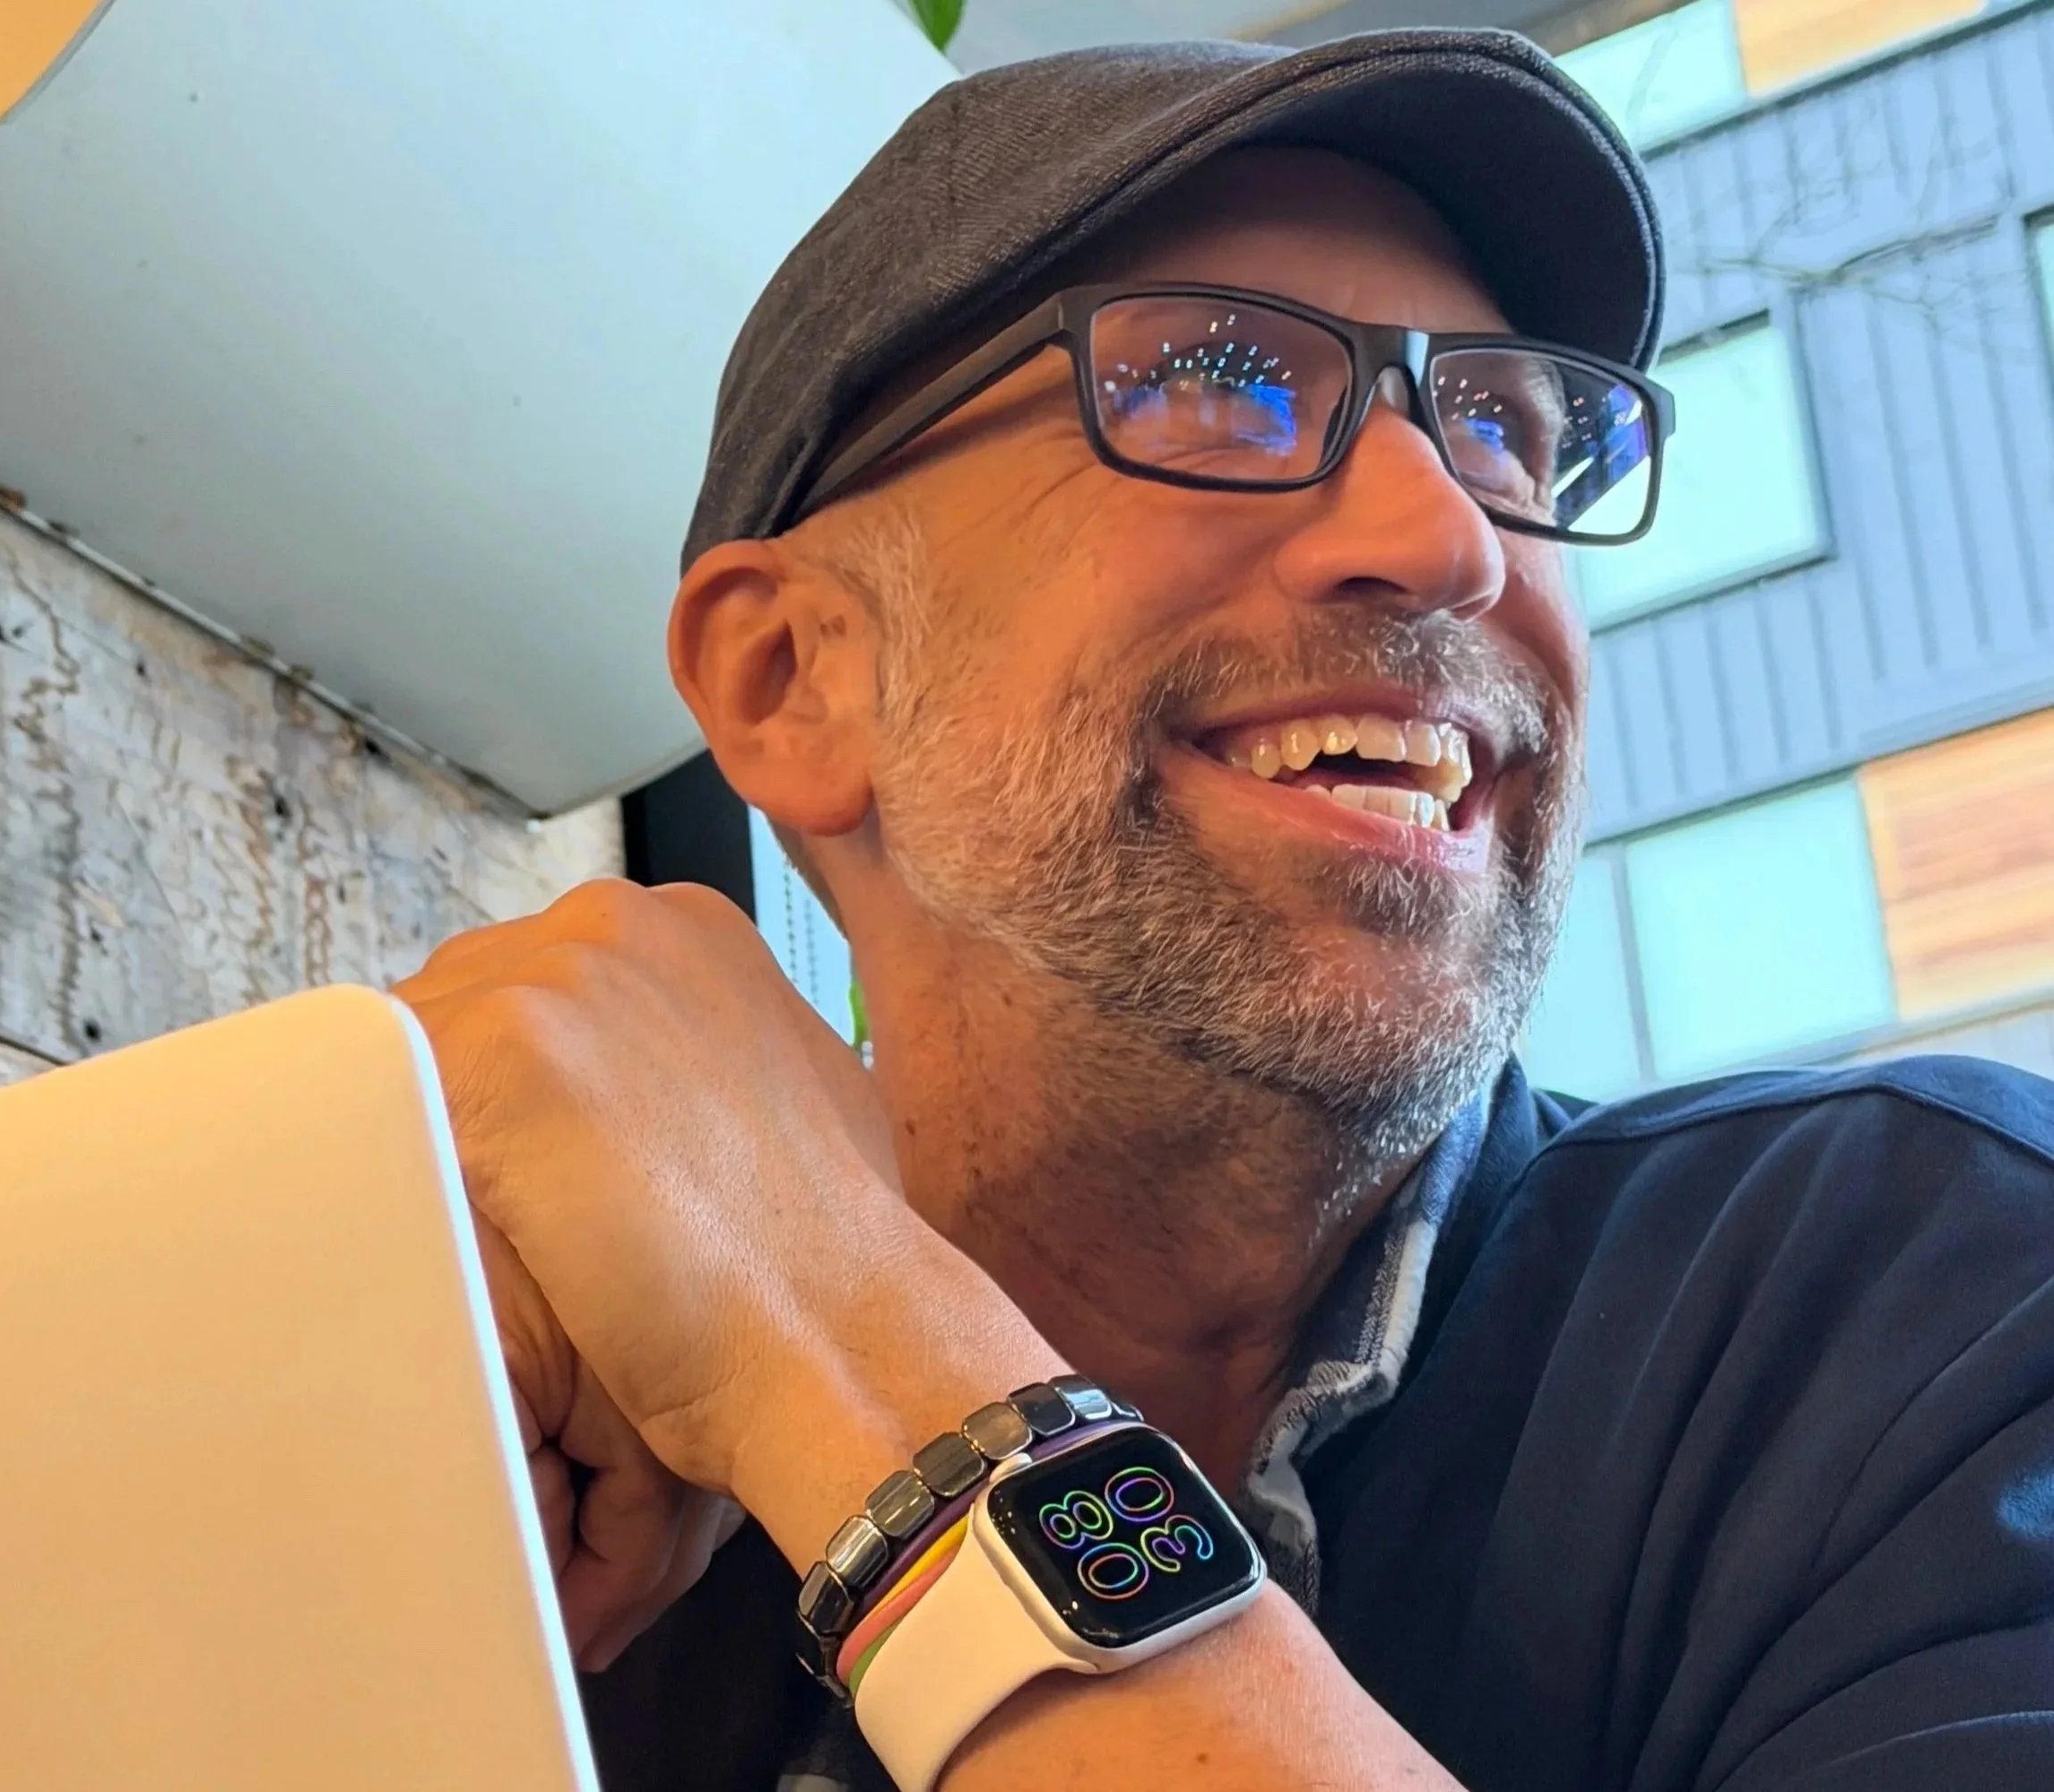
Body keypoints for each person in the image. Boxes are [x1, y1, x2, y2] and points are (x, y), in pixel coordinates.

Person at [396, 30, 2054, 1792]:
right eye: (1216, 382)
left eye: (1504, 430)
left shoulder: (1925, 1296)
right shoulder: (519, 1435)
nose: (1451, 539)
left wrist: (831, 1341)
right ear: (792, 679)